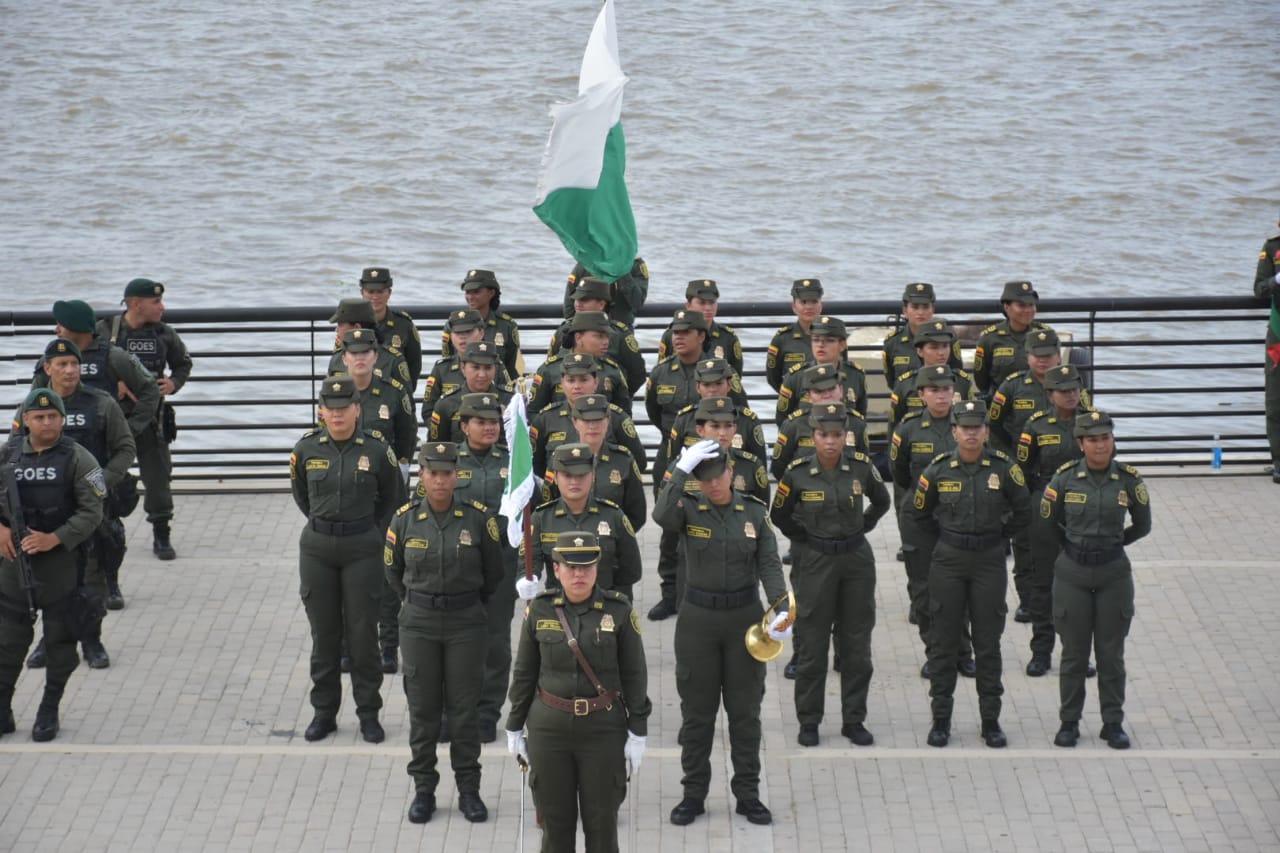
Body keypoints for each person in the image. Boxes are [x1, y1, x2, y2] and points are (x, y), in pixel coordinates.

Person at [653, 441, 788, 827]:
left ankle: (748, 794)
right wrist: (680, 470)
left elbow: (769, 563)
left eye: (717, 476)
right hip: (698, 621)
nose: (712, 485)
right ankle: (692, 794)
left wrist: (780, 608)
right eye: (704, 478)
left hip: (743, 619)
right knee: (697, 715)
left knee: (745, 714)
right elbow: (661, 515)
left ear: (731, 472)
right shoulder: (687, 508)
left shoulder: (755, 512)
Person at [505, 531, 651, 853]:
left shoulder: (619, 611)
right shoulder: (540, 610)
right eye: (570, 566)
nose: (579, 574)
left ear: (597, 567)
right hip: (549, 730)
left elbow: (635, 674)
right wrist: (514, 726)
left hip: (602, 731)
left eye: (587, 566)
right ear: (555, 569)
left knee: (601, 828)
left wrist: (638, 731)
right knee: (555, 829)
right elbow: (525, 673)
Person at [384, 441, 503, 823]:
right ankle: (424, 791)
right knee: (424, 713)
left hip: (465, 622)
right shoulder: (403, 519)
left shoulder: (477, 519)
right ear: (422, 475)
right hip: (418, 622)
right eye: (432, 473)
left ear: (457, 476)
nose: (439, 480)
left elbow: (493, 574)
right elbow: (393, 572)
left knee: (464, 712)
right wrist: (418, 600)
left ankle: (469, 790)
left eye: (446, 473)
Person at [903, 400, 1031, 749]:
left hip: (989, 560)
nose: (971, 433)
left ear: (986, 432)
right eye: (965, 427)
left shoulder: (1005, 469)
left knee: (988, 644)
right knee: (943, 643)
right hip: (949, 560)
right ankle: (941, 720)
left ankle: (991, 721)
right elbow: (919, 514)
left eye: (978, 427)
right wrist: (947, 539)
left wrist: (999, 535)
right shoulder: (938, 469)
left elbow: (1024, 510)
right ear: (955, 431)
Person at [289, 376, 405, 745]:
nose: (337, 415)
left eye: (344, 408)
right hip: (319, 547)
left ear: (357, 409)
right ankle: (324, 713)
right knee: (324, 636)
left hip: (362, 547)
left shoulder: (375, 449)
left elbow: (392, 496)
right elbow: (301, 495)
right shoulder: (306, 448)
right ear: (321, 410)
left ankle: (368, 713)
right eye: (330, 408)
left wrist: (368, 529)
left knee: (362, 635)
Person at [771, 402, 890, 747]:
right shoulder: (796, 473)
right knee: (811, 643)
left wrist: (862, 528)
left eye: (837, 435)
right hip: (815, 563)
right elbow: (779, 515)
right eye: (824, 435)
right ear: (813, 436)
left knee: (856, 645)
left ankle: (854, 719)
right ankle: (809, 720)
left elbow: (882, 501)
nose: (830, 442)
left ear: (845, 436)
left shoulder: (861, 467)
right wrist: (805, 540)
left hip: (855, 562)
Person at [16, 340, 134, 671]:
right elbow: (14, 453)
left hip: (91, 512)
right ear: (47, 368)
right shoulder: (30, 406)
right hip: (43, 514)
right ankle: (46, 641)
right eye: (62, 364)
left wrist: (98, 484)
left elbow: (125, 449)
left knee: (90, 583)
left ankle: (92, 640)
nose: (70, 370)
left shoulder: (101, 403)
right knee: (45, 583)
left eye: (74, 363)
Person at [1041, 411, 1152, 748]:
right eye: (1092, 439)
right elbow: (1048, 524)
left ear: (1113, 440)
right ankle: (1069, 722)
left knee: (1111, 655)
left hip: (1113, 574)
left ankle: (1112, 722)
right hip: (1073, 572)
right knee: (1074, 655)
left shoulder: (1129, 480)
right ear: (1080, 444)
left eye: (1105, 438)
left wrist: (1113, 545)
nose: (1100, 444)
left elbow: (1143, 525)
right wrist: (1076, 548)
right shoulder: (1063, 480)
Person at [0, 388, 106, 742]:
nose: (46, 422)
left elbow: (92, 512)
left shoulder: (79, 458)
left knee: (61, 643)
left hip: (60, 565)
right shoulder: (8, 455)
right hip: (14, 566)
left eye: (53, 416)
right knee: (8, 643)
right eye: (38, 417)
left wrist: (55, 538)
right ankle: (3, 709)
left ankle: (49, 709)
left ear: (62, 419)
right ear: (25, 420)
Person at [36, 300, 162, 555]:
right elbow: (34, 407)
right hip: (60, 457)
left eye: (61, 324)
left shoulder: (113, 356)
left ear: (76, 328)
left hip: (100, 459)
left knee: (106, 526)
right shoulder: (50, 360)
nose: (56, 329)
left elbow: (150, 391)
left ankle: (109, 584)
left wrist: (129, 428)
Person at [337, 327, 417, 674]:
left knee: (387, 575)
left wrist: (396, 479)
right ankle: (347, 648)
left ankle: (388, 648)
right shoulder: (335, 393)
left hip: (385, 498)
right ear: (344, 358)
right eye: (353, 353)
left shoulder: (393, 393)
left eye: (365, 353)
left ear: (375, 356)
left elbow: (406, 438)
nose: (359, 358)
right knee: (347, 579)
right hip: (348, 498)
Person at [888, 366, 976, 678]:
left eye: (946, 389)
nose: (942, 396)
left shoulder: (967, 423)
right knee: (925, 589)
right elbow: (898, 472)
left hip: (959, 516)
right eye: (934, 390)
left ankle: (964, 652)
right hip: (921, 518)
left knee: (960, 586)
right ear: (922, 394)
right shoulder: (908, 429)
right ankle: (936, 653)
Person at [98, 278, 193, 562]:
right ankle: (104, 529)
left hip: (152, 419)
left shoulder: (164, 334)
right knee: (106, 476)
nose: (162, 307)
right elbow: (86, 366)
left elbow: (183, 364)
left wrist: (173, 384)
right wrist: (113, 382)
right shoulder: (105, 331)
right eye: (156, 302)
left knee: (158, 478)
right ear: (135, 304)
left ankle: (161, 535)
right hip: (113, 420)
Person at [450, 393, 520, 743]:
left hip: (501, 566)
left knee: (495, 644)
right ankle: (454, 713)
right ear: (464, 426)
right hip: (458, 566)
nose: (490, 427)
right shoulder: (446, 462)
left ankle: (487, 713)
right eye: (481, 421)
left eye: (494, 422)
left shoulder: (513, 462)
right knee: (456, 643)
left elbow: (527, 517)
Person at [1017, 365, 1092, 677]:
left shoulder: (1091, 424)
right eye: (1064, 390)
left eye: (1075, 388)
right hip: (1047, 508)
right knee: (1043, 583)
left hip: (1084, 510)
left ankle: (1076, 654)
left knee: (1080, 587)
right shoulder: (1035, 426)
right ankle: (1041, 652)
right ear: (1049, 395)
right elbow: (1023, 469)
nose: (1071, 394)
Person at [644, 310, 712, 621]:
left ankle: (702, 590)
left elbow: (734, 412)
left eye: (686, 331)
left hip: (711, 459)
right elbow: (654, 413)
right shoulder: (661, 373)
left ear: (701, 335)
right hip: (671, 455)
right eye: (675, 331)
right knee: (670, 524)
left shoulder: (715, 372)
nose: (678, 337)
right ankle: (669, 594)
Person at [530, 444, 642, 601]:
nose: (574, 481)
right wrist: (527, 579)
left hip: (604, 605)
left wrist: (616, 603)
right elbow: (529, 561)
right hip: (557, 608)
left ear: (593, 475)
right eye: (567, 475)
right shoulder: (542, 518)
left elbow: (631, 569)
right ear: (555, 477)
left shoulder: (613, 515)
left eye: (582, 475)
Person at [530, 353, 646, 477]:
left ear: (596, 382)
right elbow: (536, 465)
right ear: (562, 384)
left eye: (584, 380)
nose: (577, 386)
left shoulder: (617, 418)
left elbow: (638, 462)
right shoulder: (546, 419)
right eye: (571, 380)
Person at [560, 394, 647, 534]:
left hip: (611, 545)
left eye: (598, 420)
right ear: (575, 422)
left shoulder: (623, 460)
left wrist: (615, 539)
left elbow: (637, 513)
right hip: (568, 543)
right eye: (586, 420)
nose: (592, 426)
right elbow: (550, 507)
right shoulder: (561, 458)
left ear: (608, 421)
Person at [547, 275, 646, 397]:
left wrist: (615, 394)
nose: (578, 304)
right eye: (576, 299)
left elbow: (637, 375)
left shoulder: (620, 334)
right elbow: (551, 367)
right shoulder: (563, 331)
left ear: (601, 304)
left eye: (584, 300)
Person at [662, 357, 763, 475]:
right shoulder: (684, 419)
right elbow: (674, 464)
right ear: (698, 387)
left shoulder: (748, 420)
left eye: (719, 383)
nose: (713, 389)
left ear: (729, 385)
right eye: (707, 384)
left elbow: (759, 467)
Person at [772, 364, 869, 480]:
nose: (827, 395)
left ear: (841, 390)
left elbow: (863, 464)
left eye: (831, 388)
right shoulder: (793, 425)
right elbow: (779, 468)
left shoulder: (857, 424)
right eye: (819, 391)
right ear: (809, 396)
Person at [530, 311, 632, 416]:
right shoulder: (550, 369)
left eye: (607, 337)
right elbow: (533, 412)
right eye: (599, 336)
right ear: (578, 338)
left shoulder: (612, 370)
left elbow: (624, 414)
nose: (606, 342)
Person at [421, 308, 512, 425]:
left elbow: (508, 403)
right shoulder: (442, 369)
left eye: (468, 332)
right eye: (457, 333)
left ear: (481, 333)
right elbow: (428, 412)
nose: (462, 337)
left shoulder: (496, 366)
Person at [775, 315, 867, 425]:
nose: (821, 345)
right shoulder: (796, 376)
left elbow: (860, 417)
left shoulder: (856, 375)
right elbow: (783, 420)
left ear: (842, 345)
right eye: (816, 340)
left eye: (829, 340)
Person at [887, 321, 976, 431]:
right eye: (934, 347)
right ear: (920, 352)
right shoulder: (905, 384)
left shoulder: (962, 382)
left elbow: (972, 420)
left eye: (945, 346)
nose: (941, 353)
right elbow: (894, 427)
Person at [973, 280, 1052, 398]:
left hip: (1039, 404)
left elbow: (1054, 375)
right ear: (1007, 307)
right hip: (1004, 406)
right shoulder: (990, 338)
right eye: (1021, 305)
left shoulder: (1045, 336)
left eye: (1031, 304)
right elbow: (981, 381)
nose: (1028, 310)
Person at [439, 269, 522, 378]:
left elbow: (514, 365)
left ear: (491, 293)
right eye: (467, 292)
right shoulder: (454, 324)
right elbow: (447, 362)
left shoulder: (506, 325)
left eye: (476, 292)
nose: (470, 297)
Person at [429, 341, 513, 444]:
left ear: (495, 369)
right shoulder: (446, 404)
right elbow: (438, 448)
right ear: (463, 368)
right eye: (476, 367)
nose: (482, 374)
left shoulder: (510, 400)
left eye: (488, 368)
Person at [881, 282, 963, 385]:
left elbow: (957, 373)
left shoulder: (948, 338)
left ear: (932, 309)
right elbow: (892, 381)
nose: (920, 312)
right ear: (905, 311)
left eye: (925, 307)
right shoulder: (893, 342)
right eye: (915, 307)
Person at [657, 279, 744, 373]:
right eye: (702, 303)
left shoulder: (728, 337)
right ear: (688, 305)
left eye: (712, 302)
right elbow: (662, 371)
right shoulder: (671, 335)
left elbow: (735, 375)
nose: (708, 308)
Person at [358, 266, 422, 392]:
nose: (375, 297)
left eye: (380, 291)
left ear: (389, 293)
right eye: (370, 292)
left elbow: (414, 366)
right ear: (362, 293)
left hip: (393, 396)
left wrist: (403, 394)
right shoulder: (353, 325)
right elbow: (338, 362)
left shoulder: (404, 325)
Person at [326, 297, 412, 388]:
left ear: (356, 328)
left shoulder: (392, 361)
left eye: (340, 325)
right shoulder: (337, 359)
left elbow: (405, 397)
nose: (337, 330)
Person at [1254, 217, 1280, 483]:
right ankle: (1279, 461)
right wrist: (1277, 280)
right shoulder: (1272, 249)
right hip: (1279, 334)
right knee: (1275, 402)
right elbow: (1258, 289)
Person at [766, 278, 824, 392]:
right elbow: (773, 378)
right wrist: (791, 397)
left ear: (821, 305)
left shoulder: (834, 337)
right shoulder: (782, 339)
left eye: (814, 301)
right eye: (803, 302)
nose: (809, 307)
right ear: (794, 306)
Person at [563, 258, 650, 327]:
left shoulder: (634, 264)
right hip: (589, 330)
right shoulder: (588, 261)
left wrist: (622, 271)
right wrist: (576, 327)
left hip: (619, 331)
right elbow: (570, 301)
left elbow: (637, 302)